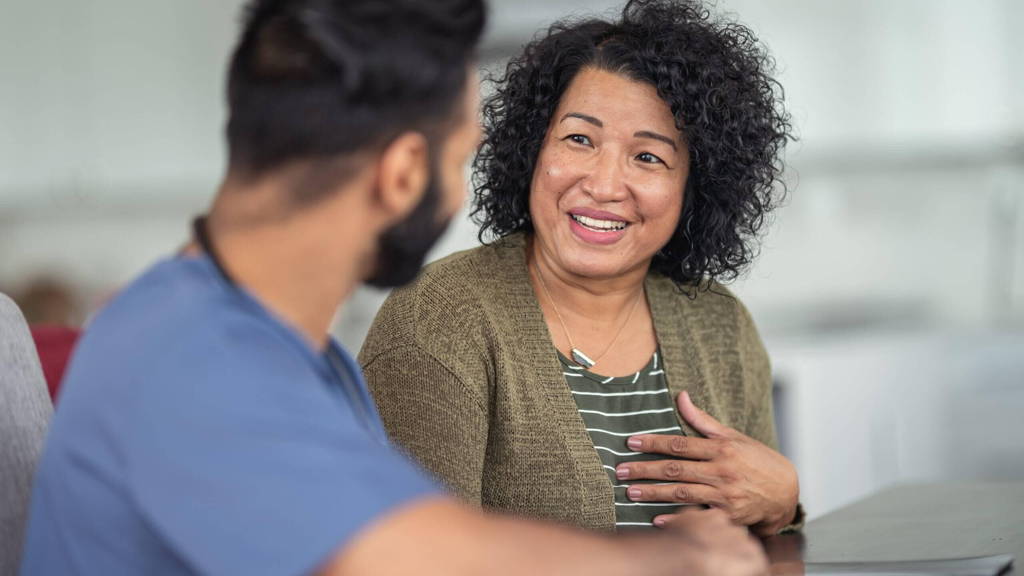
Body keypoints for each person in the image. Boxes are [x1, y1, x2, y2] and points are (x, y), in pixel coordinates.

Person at [20, 1, 768, 575]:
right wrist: (669, 555)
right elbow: (413, 556)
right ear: (404, 173)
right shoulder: (189, 360)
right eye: (462, 152)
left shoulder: (283, 353)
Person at [361, 0, 803, 536]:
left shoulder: (720, 324)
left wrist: (782, 505)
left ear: (695, 187)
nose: (603, 185)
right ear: (531, 148)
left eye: (648, 157)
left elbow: (762, 549)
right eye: (579, 139)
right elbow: (412, 556)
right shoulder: (439, 319)